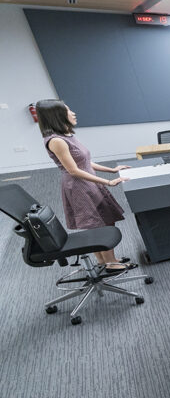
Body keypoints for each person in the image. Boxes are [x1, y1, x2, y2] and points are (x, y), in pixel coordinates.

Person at [37, 99, 132, 271]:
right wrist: (108, 182)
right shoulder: (56, 141)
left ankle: (107, 260)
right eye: (68, 111)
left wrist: (111, 170)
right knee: (97, 224)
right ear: (56, 116)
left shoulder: (68, 136)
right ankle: (110, 263)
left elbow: (86, 162)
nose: (73, 113)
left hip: (89, 182)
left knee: (105, 220)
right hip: (79, 187)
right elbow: (74, 170)